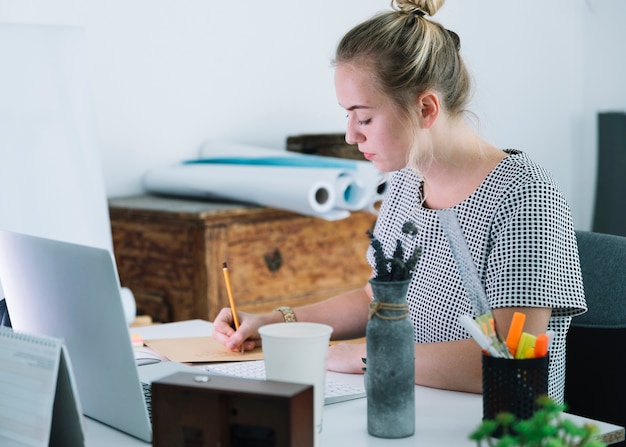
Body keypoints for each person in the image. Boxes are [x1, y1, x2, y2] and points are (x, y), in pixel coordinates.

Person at [212, 0, 587, 403]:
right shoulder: (408, 180)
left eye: (365, 118)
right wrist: (276, 322)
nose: (350, 136)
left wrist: (368, 355)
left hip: (495, 429)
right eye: (347, 116)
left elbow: (511, 358)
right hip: (415, 404)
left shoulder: (525, 196)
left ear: (425, 108)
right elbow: (376, 297)